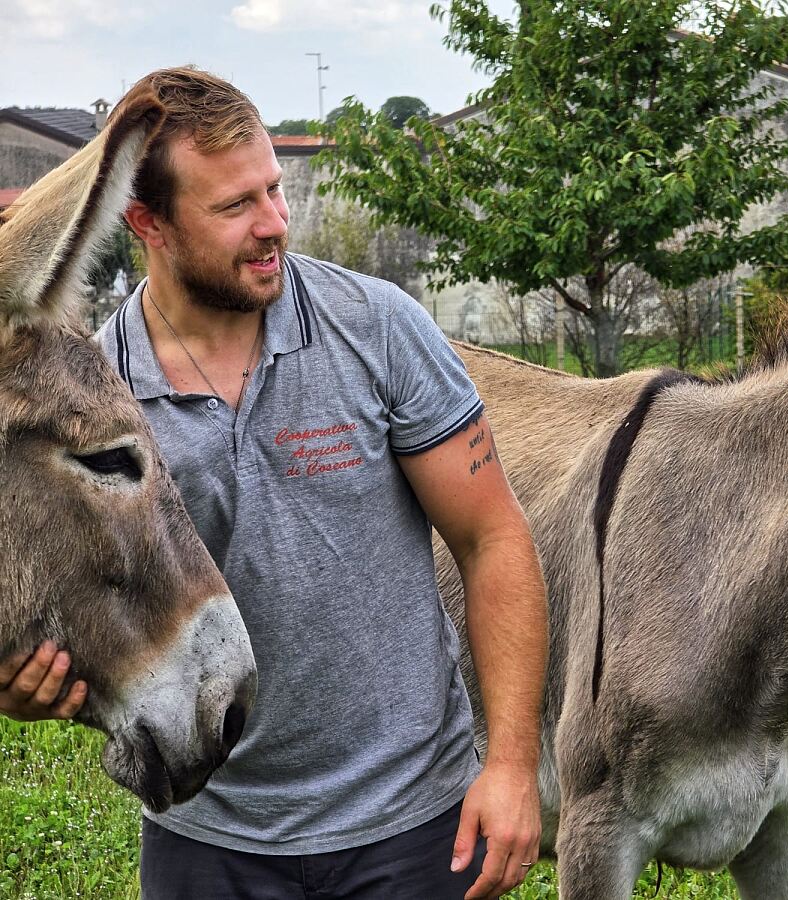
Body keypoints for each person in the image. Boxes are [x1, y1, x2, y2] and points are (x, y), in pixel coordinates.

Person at [0, 67, 548, 900]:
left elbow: (492, 538)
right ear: (147, 223)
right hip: (209, 838)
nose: (274, 226)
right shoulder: (94, 401)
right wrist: (29, 684)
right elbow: (57, 588)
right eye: (234, 207)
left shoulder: (378, 330)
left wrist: (511, 764)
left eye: (273, 191)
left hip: (408, 826)